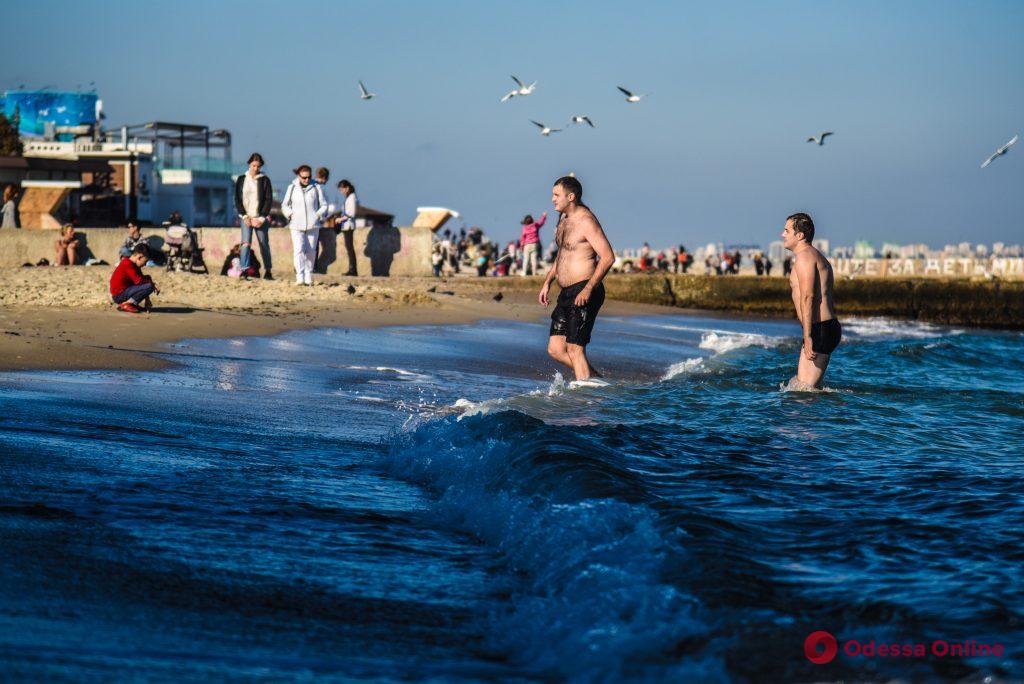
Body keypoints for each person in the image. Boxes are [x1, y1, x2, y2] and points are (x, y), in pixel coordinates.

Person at [539, 176, 614, 381]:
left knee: (574, 348)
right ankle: (595, 380)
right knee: (555, 349)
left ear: (570, 197)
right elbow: (562, 254)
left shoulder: (586, 221)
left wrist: (589, 288)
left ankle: (584, 398)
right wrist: (548, 281)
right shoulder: (563, 220)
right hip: (567, 292)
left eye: (556, 195)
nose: (552, 199)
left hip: (584, 289)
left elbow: (608, 257)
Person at [783, 212, 841, 389]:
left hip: (820, 329)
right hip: (821, 328)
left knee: (805, 392)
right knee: (803, 387)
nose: (782, 234)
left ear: (799, 235)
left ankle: (824, 415)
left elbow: (809, 297)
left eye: (787, 230)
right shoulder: (812, 256)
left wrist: (808, 336)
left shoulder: (806, 258)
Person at [281, 165, 327, 285]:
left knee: (311, 251)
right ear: (299, 176)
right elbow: (284, 205)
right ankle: (299, 276)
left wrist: (317, 215)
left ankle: (308, 274)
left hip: (313, 225)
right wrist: (290, 215)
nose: (306, 180)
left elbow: (324, 205)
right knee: (299, 250)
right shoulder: (291, 188)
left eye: (309, 177)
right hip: (296, 224)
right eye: (304, 177)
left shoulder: (316, 188)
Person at [234, 152, 274, 280]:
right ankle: (244, 270)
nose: (255, 168)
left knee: (264, 244)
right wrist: (244, 216)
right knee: (245, 243)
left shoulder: (265, 180)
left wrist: (262, 218)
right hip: (246, 218)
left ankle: (268, 270)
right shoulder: (241, 179)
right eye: (253, 165)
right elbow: (237, 199)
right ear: (249, 164)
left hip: (259, 218)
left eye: (258, 166)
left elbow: (268, 200)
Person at [110, 243, 159, 313]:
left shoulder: (134, 266)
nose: (145, 264)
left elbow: (143, 283)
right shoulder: (127, 264)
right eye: (145, 262)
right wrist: (153, 285)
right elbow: (139, 281)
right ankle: (128, 303)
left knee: (148, 278)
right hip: (119, 295)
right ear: (139, 257)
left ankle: (131, 304)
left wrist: (147, 300)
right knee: (150, 285)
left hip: (125, 292)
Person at [314, 167, 339, 273]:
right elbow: (330, 207)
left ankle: (315, 268)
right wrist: (324, 217)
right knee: (326, 251)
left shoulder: (310, 185)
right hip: (321, 223)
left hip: (314, 222)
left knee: (313, 247)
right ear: (326, 177)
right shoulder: (321, 188)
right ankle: (317, 268)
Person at [337, 179, 359, 276]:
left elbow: (351, 213)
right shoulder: (349, 197)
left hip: (348, 225)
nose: (341, 191)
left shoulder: (352, 197)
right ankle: (352, 268)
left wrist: (340, 219)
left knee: (350, 248)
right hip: (346, 226)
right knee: (349, 247)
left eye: (342, 189)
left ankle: (353, 269)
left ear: (347, 188)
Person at [519, 211, 547, 276]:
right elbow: (541, 222)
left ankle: (524, 272)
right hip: (534, 244)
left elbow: (523, 238)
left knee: (526, 259)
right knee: (533, 259)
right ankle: (534, 272)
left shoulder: (525, 228)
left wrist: (521, 246)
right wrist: (544, 216)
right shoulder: (535, 225)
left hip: (527, 245)